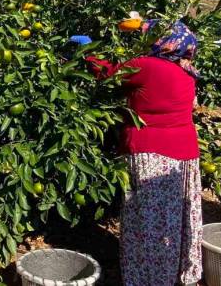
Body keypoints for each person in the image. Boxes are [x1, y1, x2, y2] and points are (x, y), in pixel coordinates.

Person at [83, 19, 202, 286]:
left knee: (147, 222)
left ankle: (148, 278)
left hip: (152, 154)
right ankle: (176, 273)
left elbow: (108, 73)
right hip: (184, 155)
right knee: (174, 220)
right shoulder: (186, 72)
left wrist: (86, 53)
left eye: (151, 36)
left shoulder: (148, 66)